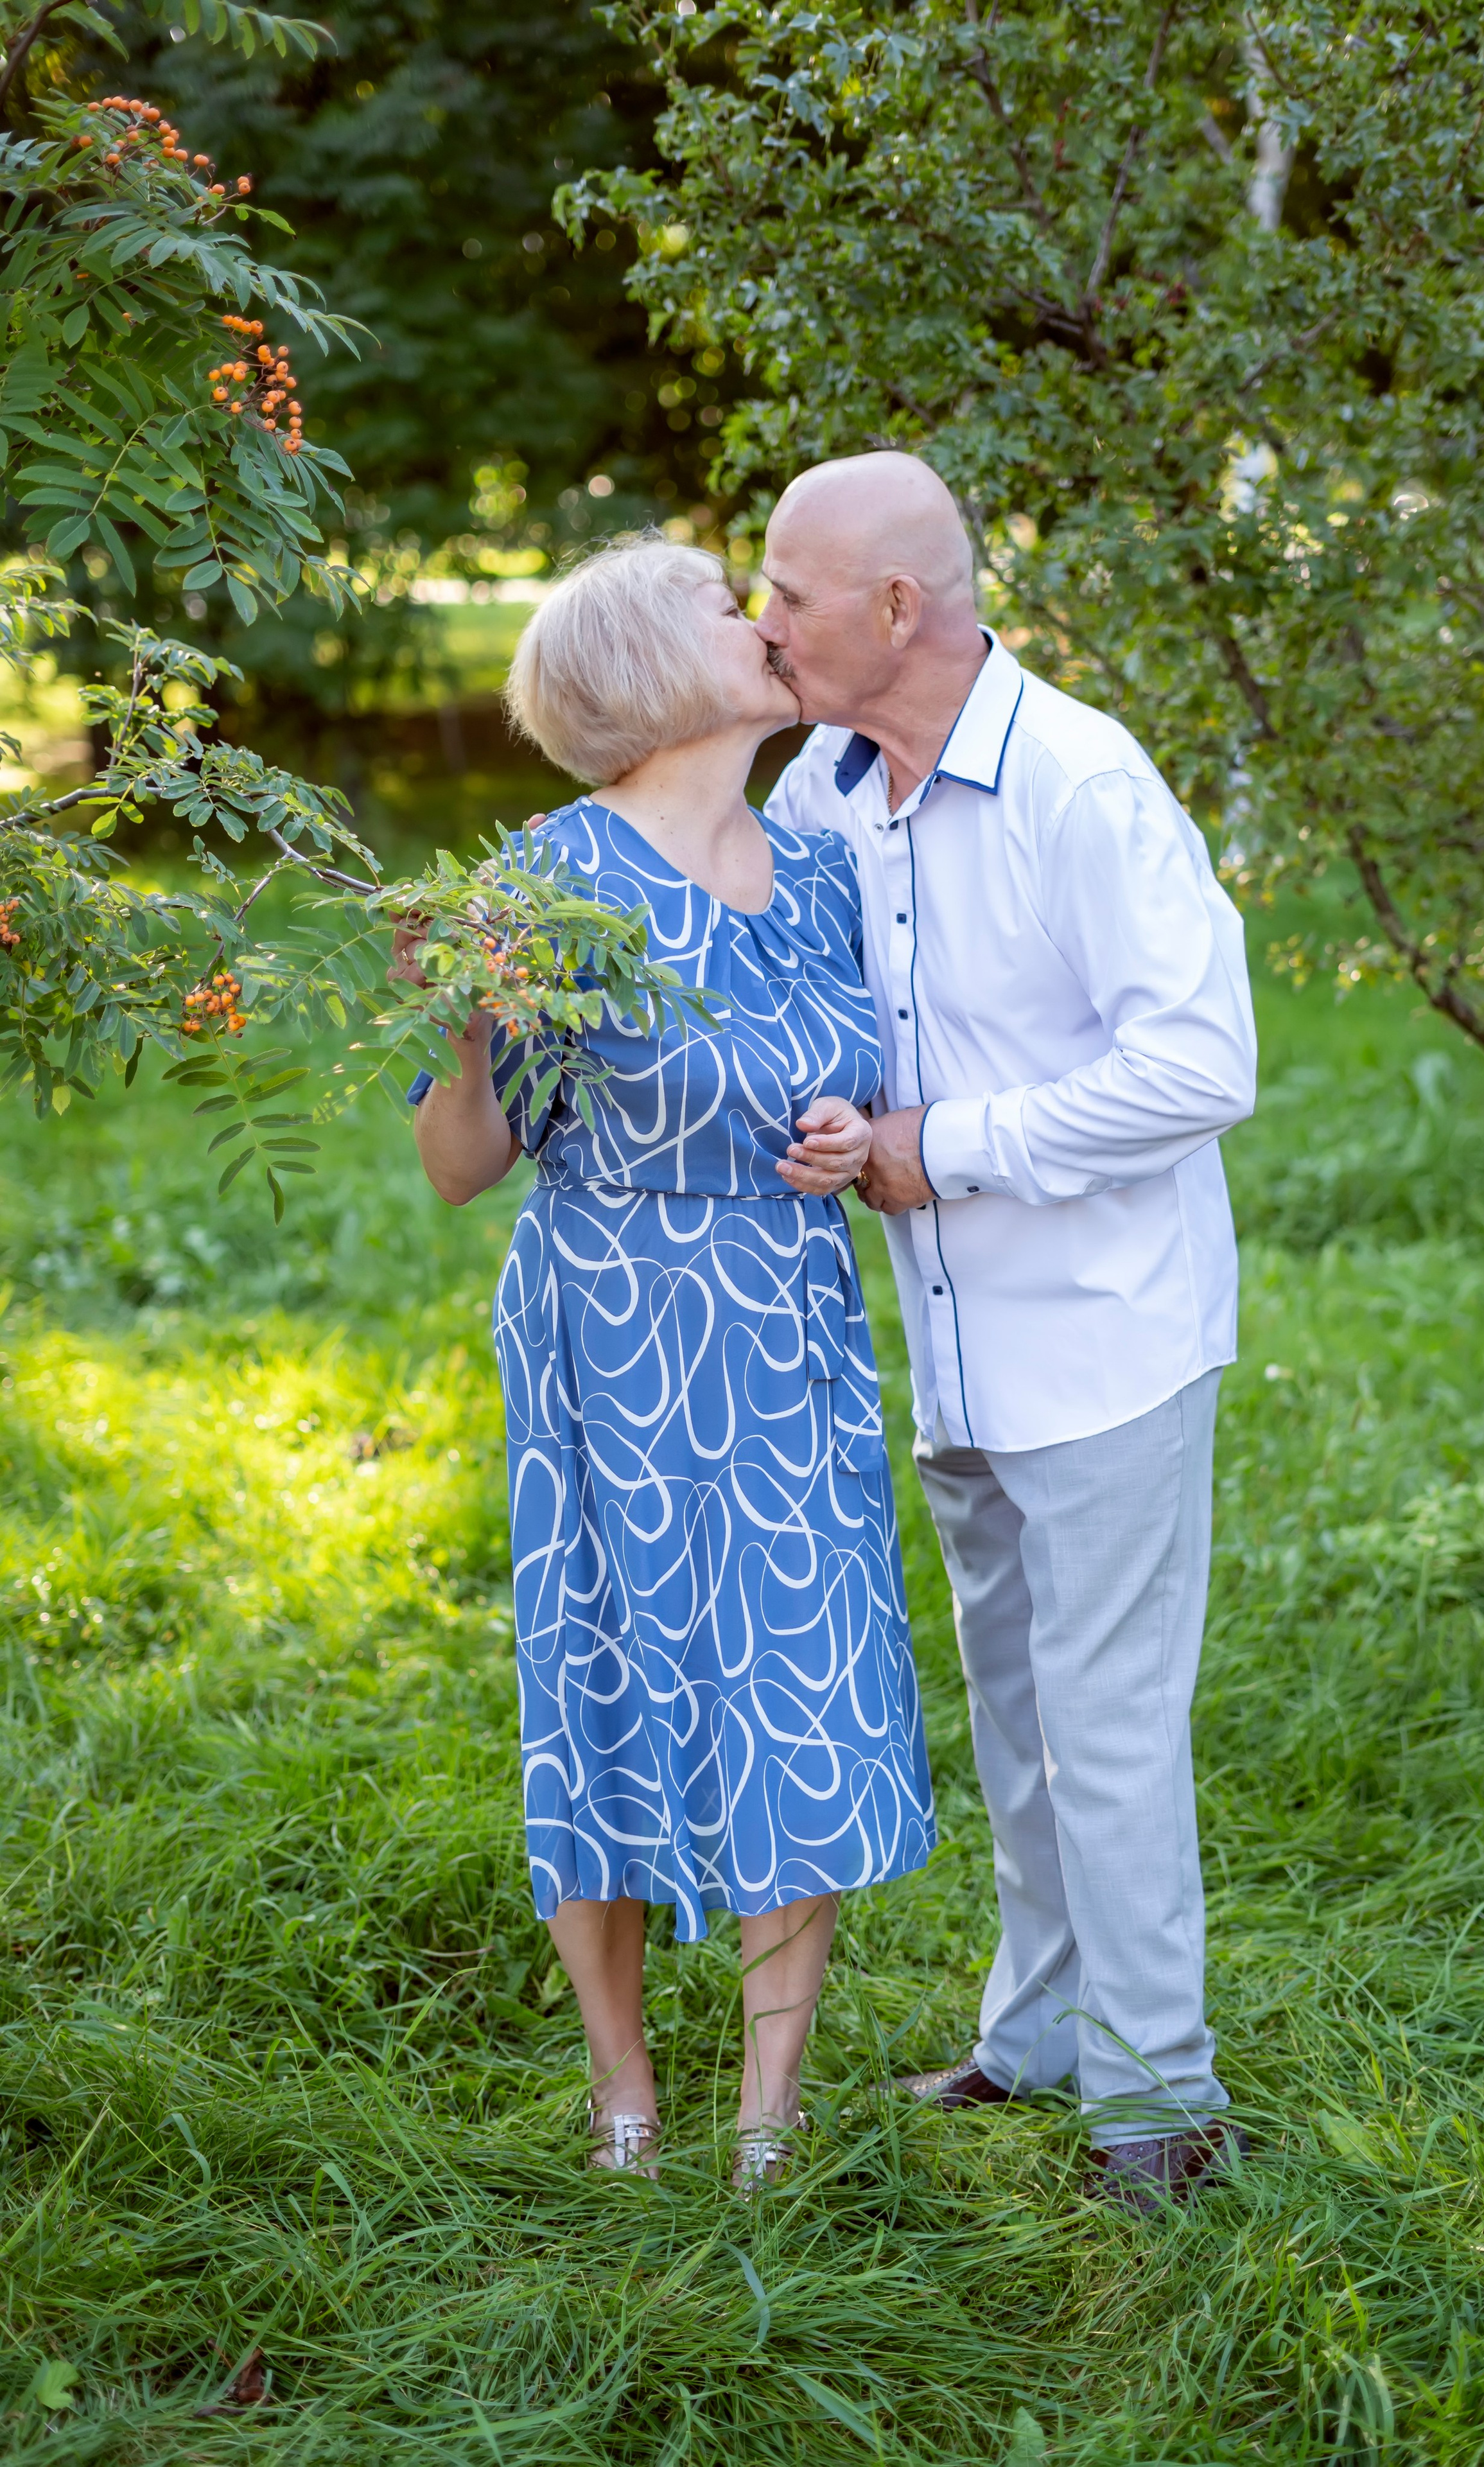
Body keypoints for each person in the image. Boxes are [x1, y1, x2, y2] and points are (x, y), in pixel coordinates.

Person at [758, 453, 1258, 2212]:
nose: (767, 623)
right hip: (958, 1354)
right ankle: (1039, 2036)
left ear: (896, 607)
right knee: (1019, 1719)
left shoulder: (1080, 783)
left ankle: (1159, 2108)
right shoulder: (826, 794)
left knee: (1109, 1731)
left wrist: (935, 1151)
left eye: (789, 592)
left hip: (1106, 1345)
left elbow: (1203, 1067)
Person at [403, 539, 935, 2186]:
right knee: (608, 1687)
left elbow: (840, 1082)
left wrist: (851, 1134)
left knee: (804, 1679)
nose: (762, 622)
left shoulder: (823, 869)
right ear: (646, 664)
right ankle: (622, 2085)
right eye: (728, 606)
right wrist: (467, 1018)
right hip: (611, 1325)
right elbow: (457, 1163)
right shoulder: (538, 882)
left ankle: (768, 2115)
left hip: (784, 1320)